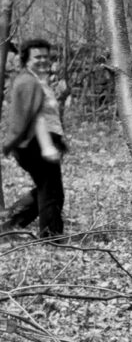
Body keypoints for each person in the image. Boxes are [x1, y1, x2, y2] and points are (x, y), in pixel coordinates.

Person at [1, 38, 67, 238]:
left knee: (47, 188)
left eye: (46, 56)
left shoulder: (35, 80)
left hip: (40, 141)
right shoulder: (28, 81)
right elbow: (34, 116)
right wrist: (47, 146)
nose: (43, 60)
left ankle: (11, 223)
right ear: (25, 59)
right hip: (35, 143)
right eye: (37, 56)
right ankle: (51, 237)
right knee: (51, 192)